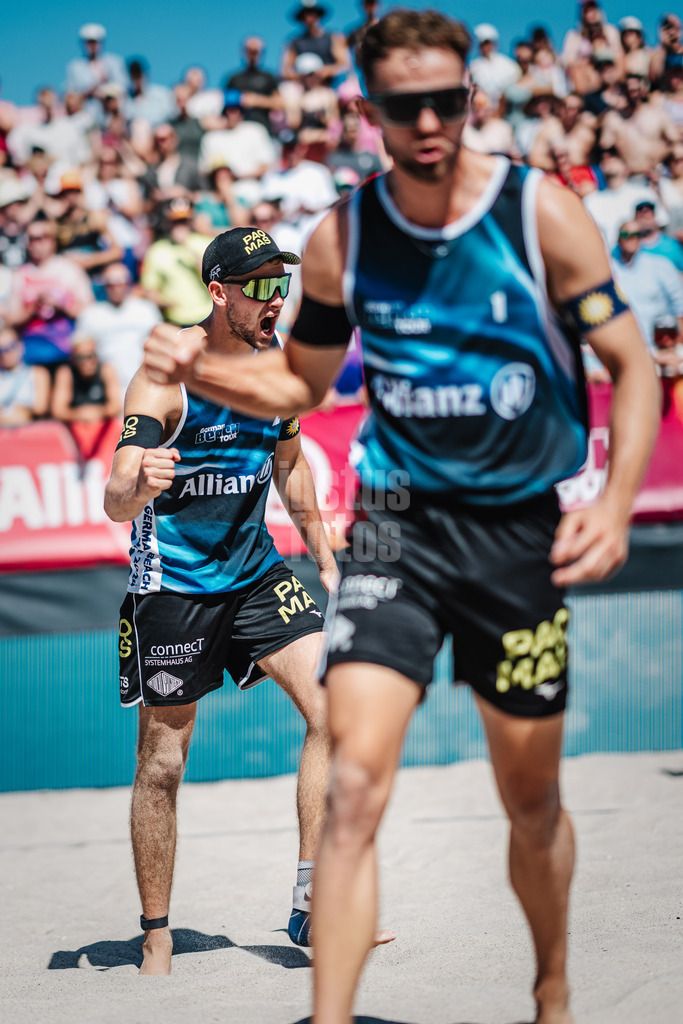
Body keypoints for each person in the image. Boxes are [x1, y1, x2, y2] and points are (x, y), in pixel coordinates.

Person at [142, 10, 660, 1023]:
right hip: (393, 524)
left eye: (443, 101)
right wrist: (200, 369)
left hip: (513, 529)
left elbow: (631, 366)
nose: (426, 122)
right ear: (368, 111)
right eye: (401, 104)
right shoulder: (342, 237)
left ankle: (551, 990)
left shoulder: (540, 213)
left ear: (469, 98)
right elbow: (300, 386)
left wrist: (614, 499)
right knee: (352, 782)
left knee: (529, 800)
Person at [104, 226, 371, 975]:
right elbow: (115, 501)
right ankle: (156, 934)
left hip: (255, 574)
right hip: (174, 587)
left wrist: (327, 560)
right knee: (163, 764)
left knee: (334, 709)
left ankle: (312, 905)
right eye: (259, 286)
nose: (275, 298)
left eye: (280, 283)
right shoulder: (167, 378)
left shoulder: (277, 368)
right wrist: (138, 483)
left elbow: (290, 465)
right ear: (219, 293)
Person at [74, 262, 161, 393]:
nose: (116, 288)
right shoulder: (90, 315)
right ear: (104, 286)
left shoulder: (146, 309)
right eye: (111, 284)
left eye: (121, 283)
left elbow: (159, 343)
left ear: (129, 283)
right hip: (106, 386)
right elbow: (80, 351)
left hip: (144, 382)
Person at [51, 334, 121, 459]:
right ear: (73, 358)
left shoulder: (106, 369)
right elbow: (58, 410)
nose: (87, 361)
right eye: (81, 358)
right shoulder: (66, 372)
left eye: (91, 356)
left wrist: (97, 412)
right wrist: (80, 414)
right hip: (75, 447)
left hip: (104, 442)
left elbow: (116, 406)